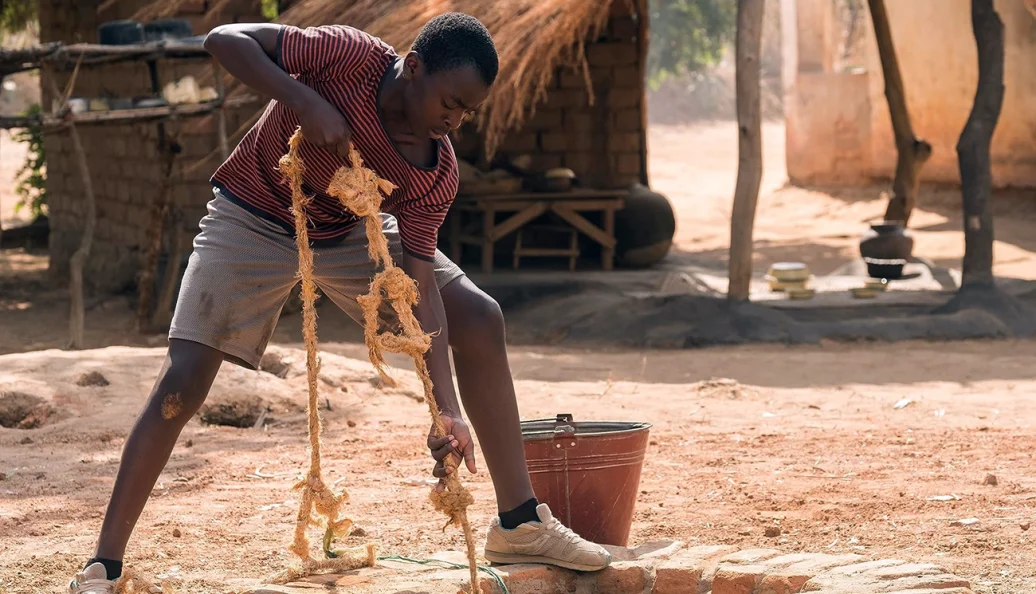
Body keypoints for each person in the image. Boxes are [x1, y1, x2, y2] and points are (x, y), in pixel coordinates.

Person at [68, 13, 611, 594]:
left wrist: (444, 410)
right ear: (414, 67)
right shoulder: (347, 56)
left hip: (352, 232)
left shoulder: (434, 169)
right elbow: (224, 40)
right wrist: (303, 100)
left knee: (478, 316)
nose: (453, 121)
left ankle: (519, 522)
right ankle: (105, 563)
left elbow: (420, 287)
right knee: (183, 383)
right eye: (449, 102)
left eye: (466, 113)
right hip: (252, 215)